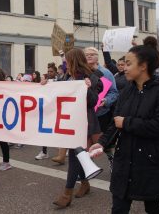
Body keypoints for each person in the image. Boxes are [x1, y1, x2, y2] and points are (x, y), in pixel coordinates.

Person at [89, 42, 159, 214]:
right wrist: (102, 143)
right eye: (124, 64)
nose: (124, 68)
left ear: (143, 66)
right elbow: (116, 122)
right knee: (119, 207)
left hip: (150, 159)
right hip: (124, 157)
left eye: (129, 64)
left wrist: (127, 122)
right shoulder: (127, 91)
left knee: (153, 207)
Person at [52, 48, 103, 209]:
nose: (65, 63)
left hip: (84, 122)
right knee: (78, 155)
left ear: (74, 60)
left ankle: (67, 194)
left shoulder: (89, 77)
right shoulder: (68, 76)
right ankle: (85, 183)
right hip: (70, 120)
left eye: (68, 60)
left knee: (75, 156)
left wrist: (87, 88)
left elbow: (93, 102)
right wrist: (45, 84)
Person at [85, 47, 119, 170]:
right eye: (86, 54)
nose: (89, 56)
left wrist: (105, 101)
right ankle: (88, 167)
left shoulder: (106, 72)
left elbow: (114, 92)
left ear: (97, 56)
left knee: (104, 142)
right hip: (85, 113)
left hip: (101, 113)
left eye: (92, 54)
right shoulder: (81, 71)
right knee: (86, 142)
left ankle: (112, 160)